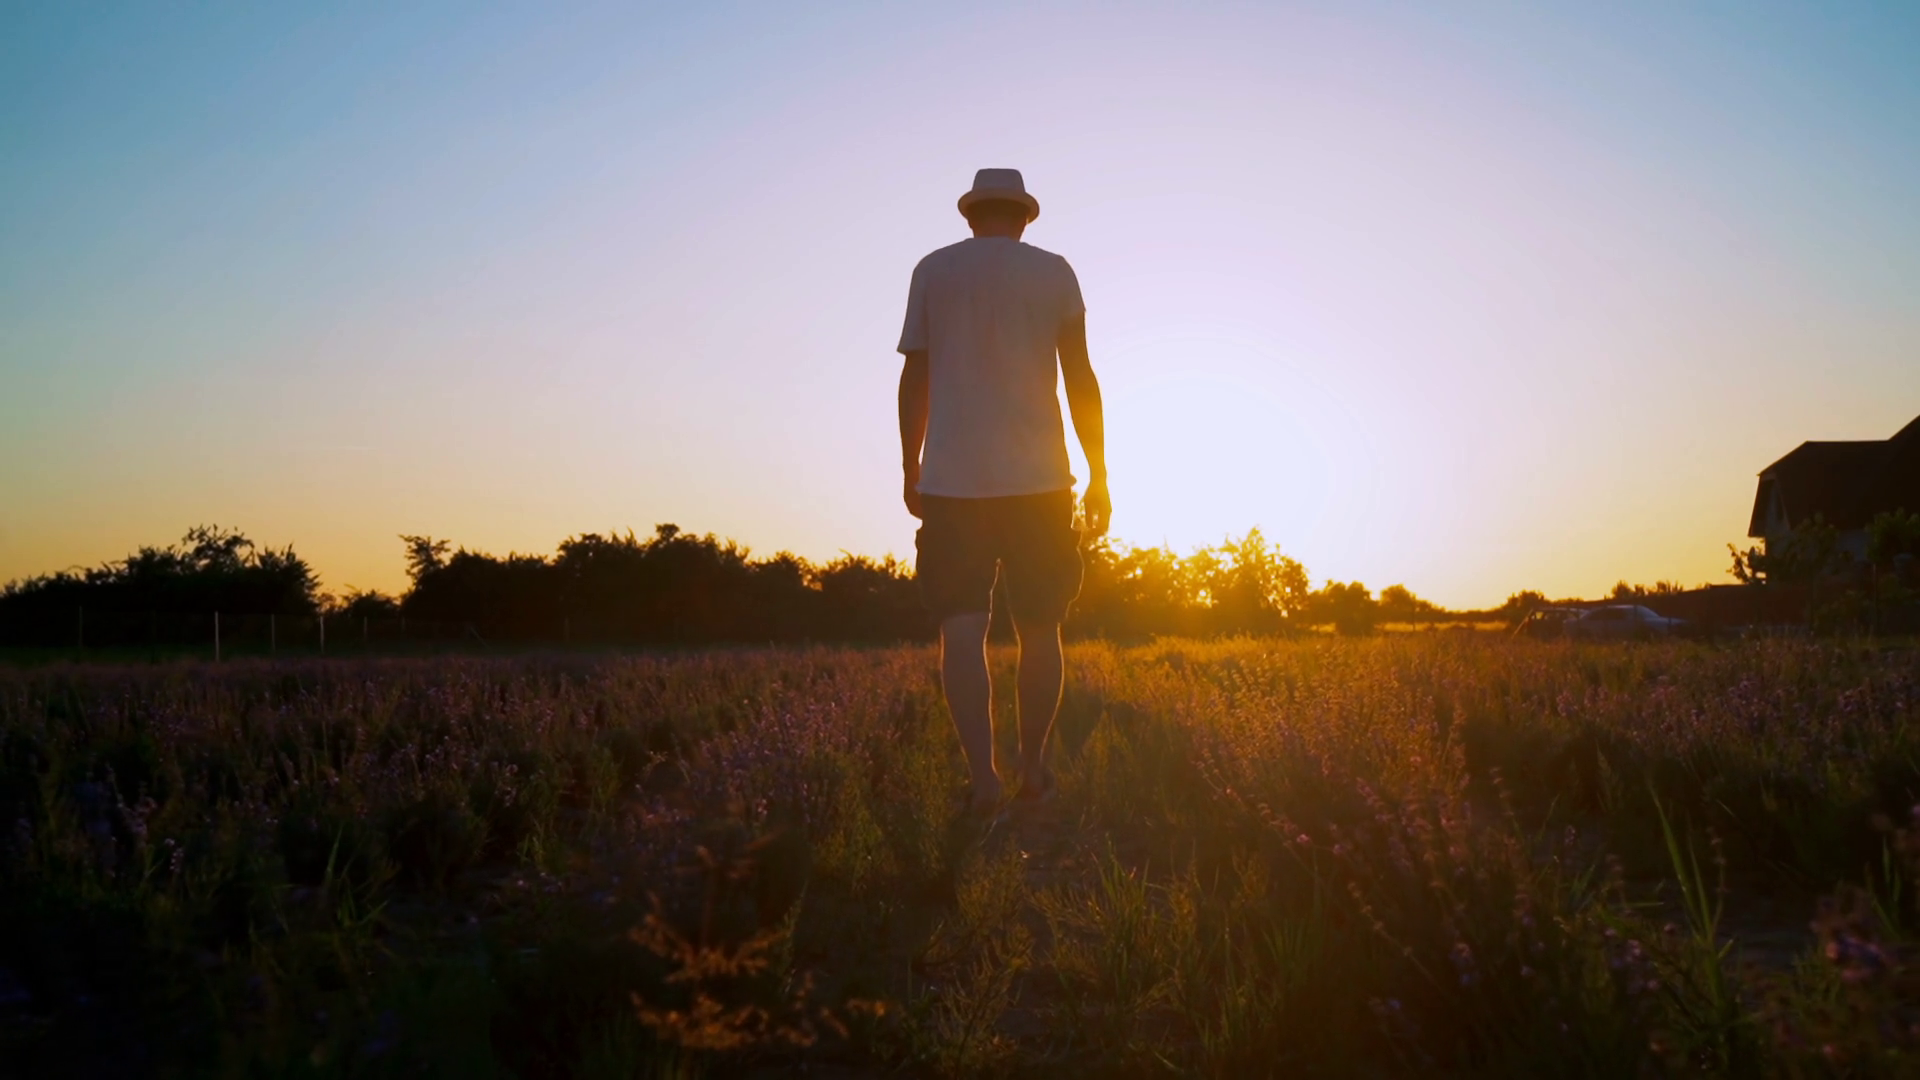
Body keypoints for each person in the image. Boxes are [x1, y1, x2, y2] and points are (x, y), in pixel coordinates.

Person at [896, 168, 1110, 816]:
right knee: (1041, 630)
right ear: (1023, 217)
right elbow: (1081, 377)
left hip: (952, 482)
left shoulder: (933, 270)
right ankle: (1034, 771)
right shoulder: (1054, 272)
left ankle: (984, 782)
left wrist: (910, 465)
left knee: (961, 631)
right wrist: (1100, 473)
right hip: (1040, 482)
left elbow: (914, 377)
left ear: (970, 215)